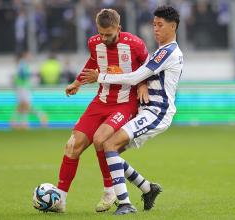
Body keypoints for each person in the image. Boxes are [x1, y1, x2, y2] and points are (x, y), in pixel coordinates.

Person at [81, 5, 183, 215]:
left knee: (108, 144)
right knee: (111, 152)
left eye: (160, 25)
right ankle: (148, 188)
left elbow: (135, 77)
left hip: (157, 111)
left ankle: (125, 203)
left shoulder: (169, 52)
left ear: (173, 27)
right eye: (154, 24)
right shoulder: (161, 51)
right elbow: (142, 77)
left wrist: (100, 77)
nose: (155, 29)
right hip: (146, 111)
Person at [51, 8, 152, 213]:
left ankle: (110, 190)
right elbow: (93, 61)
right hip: (100, 101)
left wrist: (143, 85)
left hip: (125, 103)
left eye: (109, 34)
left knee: (100, 139)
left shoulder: (135, 44)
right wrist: (77, 82)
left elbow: (148, 65)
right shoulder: (94, 42)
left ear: (119, 28)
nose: (104, 38)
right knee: (73, 145)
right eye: (101, 33)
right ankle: (60, 199)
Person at [11, 51, 47, 129]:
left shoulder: (21, 64)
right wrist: (34, 74)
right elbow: (23, 75)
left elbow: (19, 75)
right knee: (25, 104)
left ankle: (20, 122)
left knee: (22, 105)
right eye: (28, 55)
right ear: (25, 55)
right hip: (23, 87)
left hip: (22, 87)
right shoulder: (22, 64)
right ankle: (40, 117)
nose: (30, 57)